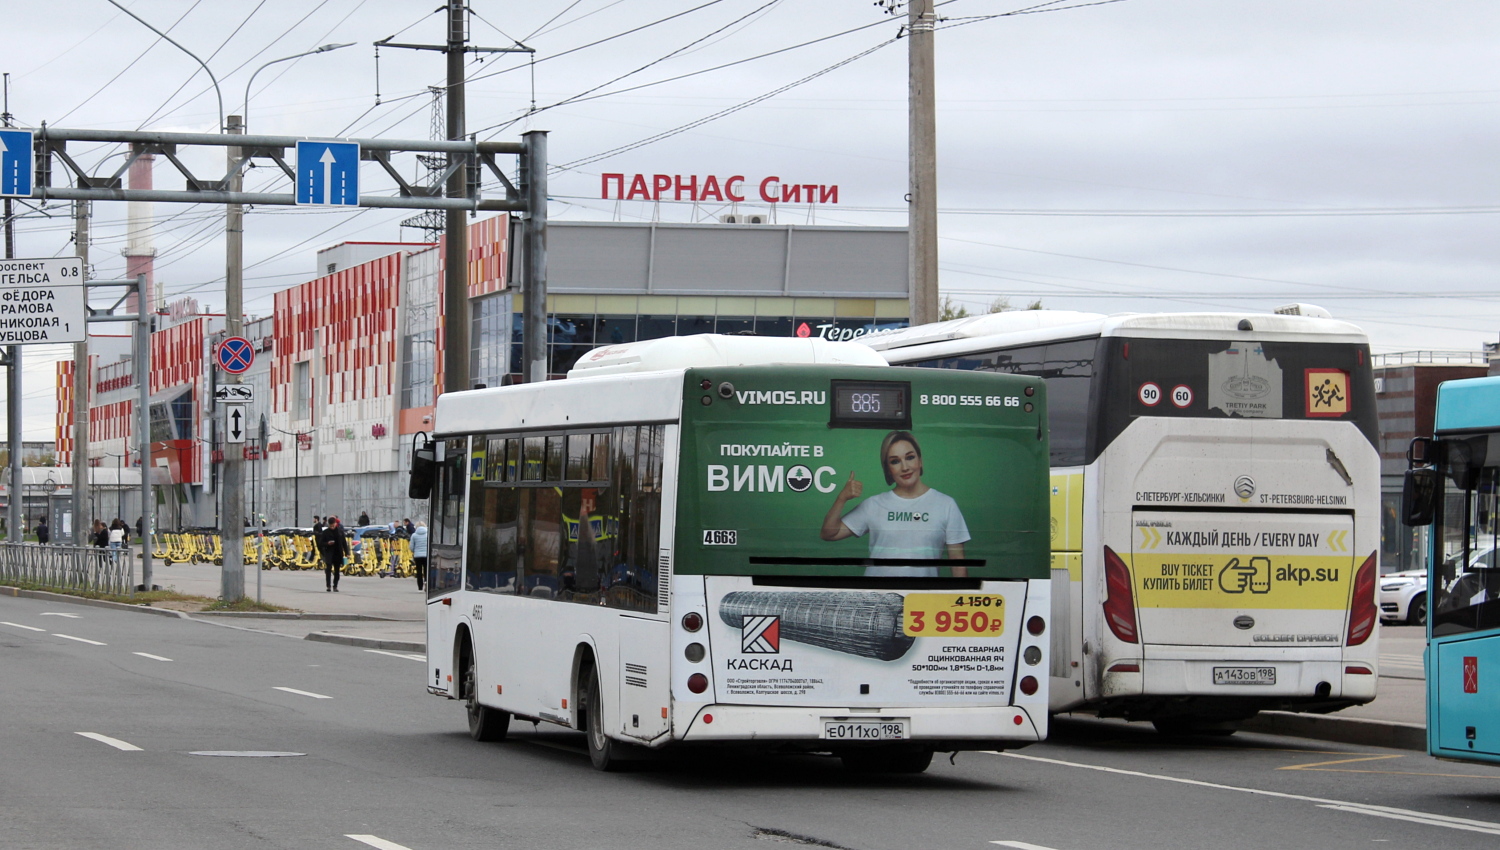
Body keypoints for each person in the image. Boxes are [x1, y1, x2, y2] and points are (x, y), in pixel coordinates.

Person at [820, 430, 970, 578]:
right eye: (895, 461)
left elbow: (957, 563)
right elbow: (828, 533)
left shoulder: (946, 505)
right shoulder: (874, 504)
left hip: (922, 599)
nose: (905, 467)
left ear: (920, 460)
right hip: (876, 599)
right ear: (888, 469)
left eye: (910, 457)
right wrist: (842, 498)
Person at [318, 515, 350, 592]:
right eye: (331, 526)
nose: (332, 527)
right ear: (329, 525)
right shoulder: (325, 532)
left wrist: (347, 553)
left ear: (335, 523)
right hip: (329, 552)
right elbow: (320, 543)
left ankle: (335, 585)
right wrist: (327, 543)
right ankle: (328, 585)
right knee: (328, 568)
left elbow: (344, 543)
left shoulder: (340, 531)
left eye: (333, 525)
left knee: (337, 570)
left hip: (338, 552)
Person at [410, 520, 429, 591]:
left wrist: (414, 551)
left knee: (419, 571)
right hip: (426, 555)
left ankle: (420, 586)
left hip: (417, 556)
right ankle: (426, 582)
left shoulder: (414, 535)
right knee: (426, 570)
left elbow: (411, 547)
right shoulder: (428, 534)